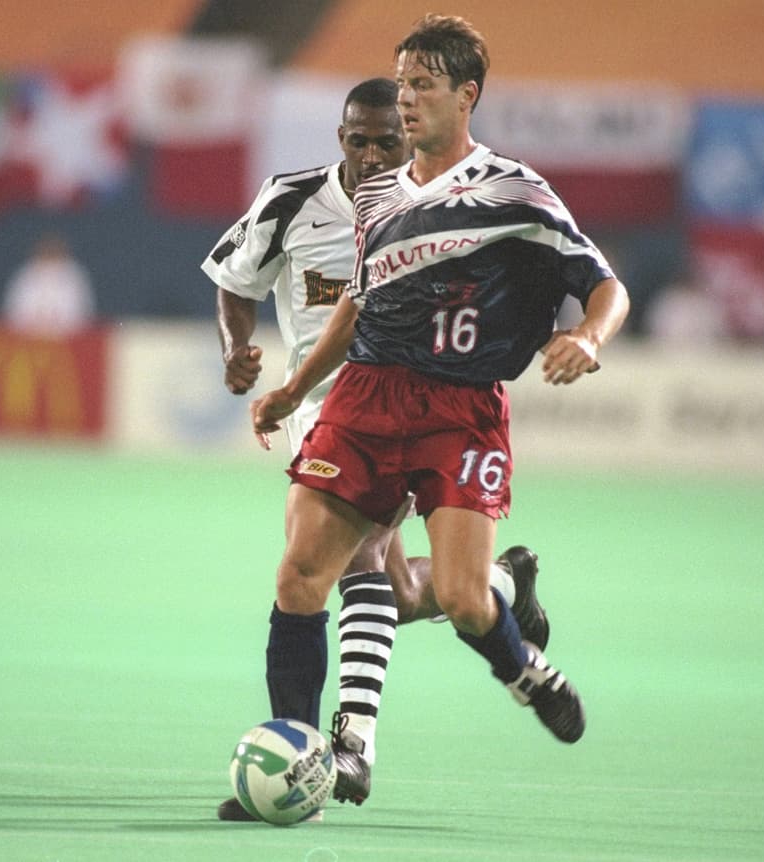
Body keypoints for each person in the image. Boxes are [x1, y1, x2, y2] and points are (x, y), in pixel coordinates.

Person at [249, 12, 630, 772]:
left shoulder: (516, 191)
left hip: (459, 410)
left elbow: (605, 286)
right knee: (301, 573)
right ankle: (299, 754)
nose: (406, 99)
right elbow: (359, 304)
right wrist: (295, 389)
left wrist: (588, 338)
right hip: (365, 396)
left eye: (421, 85)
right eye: (401, 84)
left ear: (467, 95)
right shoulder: (379, 196)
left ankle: (524, 671)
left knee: (459, 597)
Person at [202, 78, 550, 819]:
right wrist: (237, 348)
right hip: (320, 411)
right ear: (339, 137)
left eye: (385, 142)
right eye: (356, 139)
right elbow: (236, 278)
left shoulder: (434, 213)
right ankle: (498, 588)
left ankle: (336, 755)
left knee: (338, 568)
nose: (368, 154)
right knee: (390, 588)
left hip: (404, 408)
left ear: (412, 139)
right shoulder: (291, 199)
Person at [2, 234, 95, 337]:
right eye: (47, 249)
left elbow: (83, 311)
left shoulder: (74, 274)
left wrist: (59, 325)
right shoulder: (25, 273)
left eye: (54, 249)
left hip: (67, 338)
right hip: (28, 338)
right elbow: (14, 308)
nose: (50, 252)